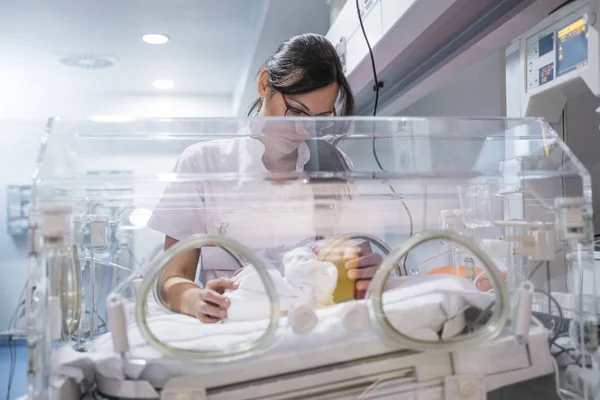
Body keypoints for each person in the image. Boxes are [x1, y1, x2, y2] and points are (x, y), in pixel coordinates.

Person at [147, 33, 383, 324]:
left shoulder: (334, 166)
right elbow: (172, 277)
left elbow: (352, 259)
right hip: (235, 327)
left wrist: (366, 269)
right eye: (296, 111)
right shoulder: (204, 163)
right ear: (264, 84)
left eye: (318, 119)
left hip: (313, 326)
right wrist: (195, 299)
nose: (302, 130)